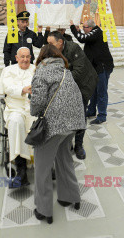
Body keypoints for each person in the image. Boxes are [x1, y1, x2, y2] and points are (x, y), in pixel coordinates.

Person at [30, 44, 85, 224]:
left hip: (53, 125)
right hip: (73, 123)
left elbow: (38, 101)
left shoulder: (41, 71)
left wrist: (34, 110)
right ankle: (71, 197)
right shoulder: (65, 71)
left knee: (42, 167)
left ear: (42, 57)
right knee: (65, 160)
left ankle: (44, 210)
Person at [46, 30, 97, 160]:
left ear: (60, 42)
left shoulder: (73, 48)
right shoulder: (52, 51)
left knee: (80, 115)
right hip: (68, 86)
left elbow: (79, 71)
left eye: (51, 44)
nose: (48, 47)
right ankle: (67, 142)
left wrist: (62, 83)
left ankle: (79, 145)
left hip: (83, 84)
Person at [0, 47, 35, 188]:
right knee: (16, 122)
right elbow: (7, 88)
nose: (25, 59)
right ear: (16, 57)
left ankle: (46, 163)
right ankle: (21, 168)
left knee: (40, 123)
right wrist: (23, 90)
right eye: (22, 56)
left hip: (33, 107)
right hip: (14, 107)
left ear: (31, 57)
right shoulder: (8, 70)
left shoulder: (36, 69)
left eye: (27, 57)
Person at [70, 19, 114, 125]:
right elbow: (85, 38)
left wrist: (73, 28)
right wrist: (79, 30)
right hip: (95, 68)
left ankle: (102, 116)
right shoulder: (93, 33)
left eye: (83, 27)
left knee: (101, 92)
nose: (82, 29)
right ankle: (91, 111)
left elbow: (82, 38)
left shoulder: (97, 32)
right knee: (93, 91)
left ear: (89, 28)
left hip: (102, 67)